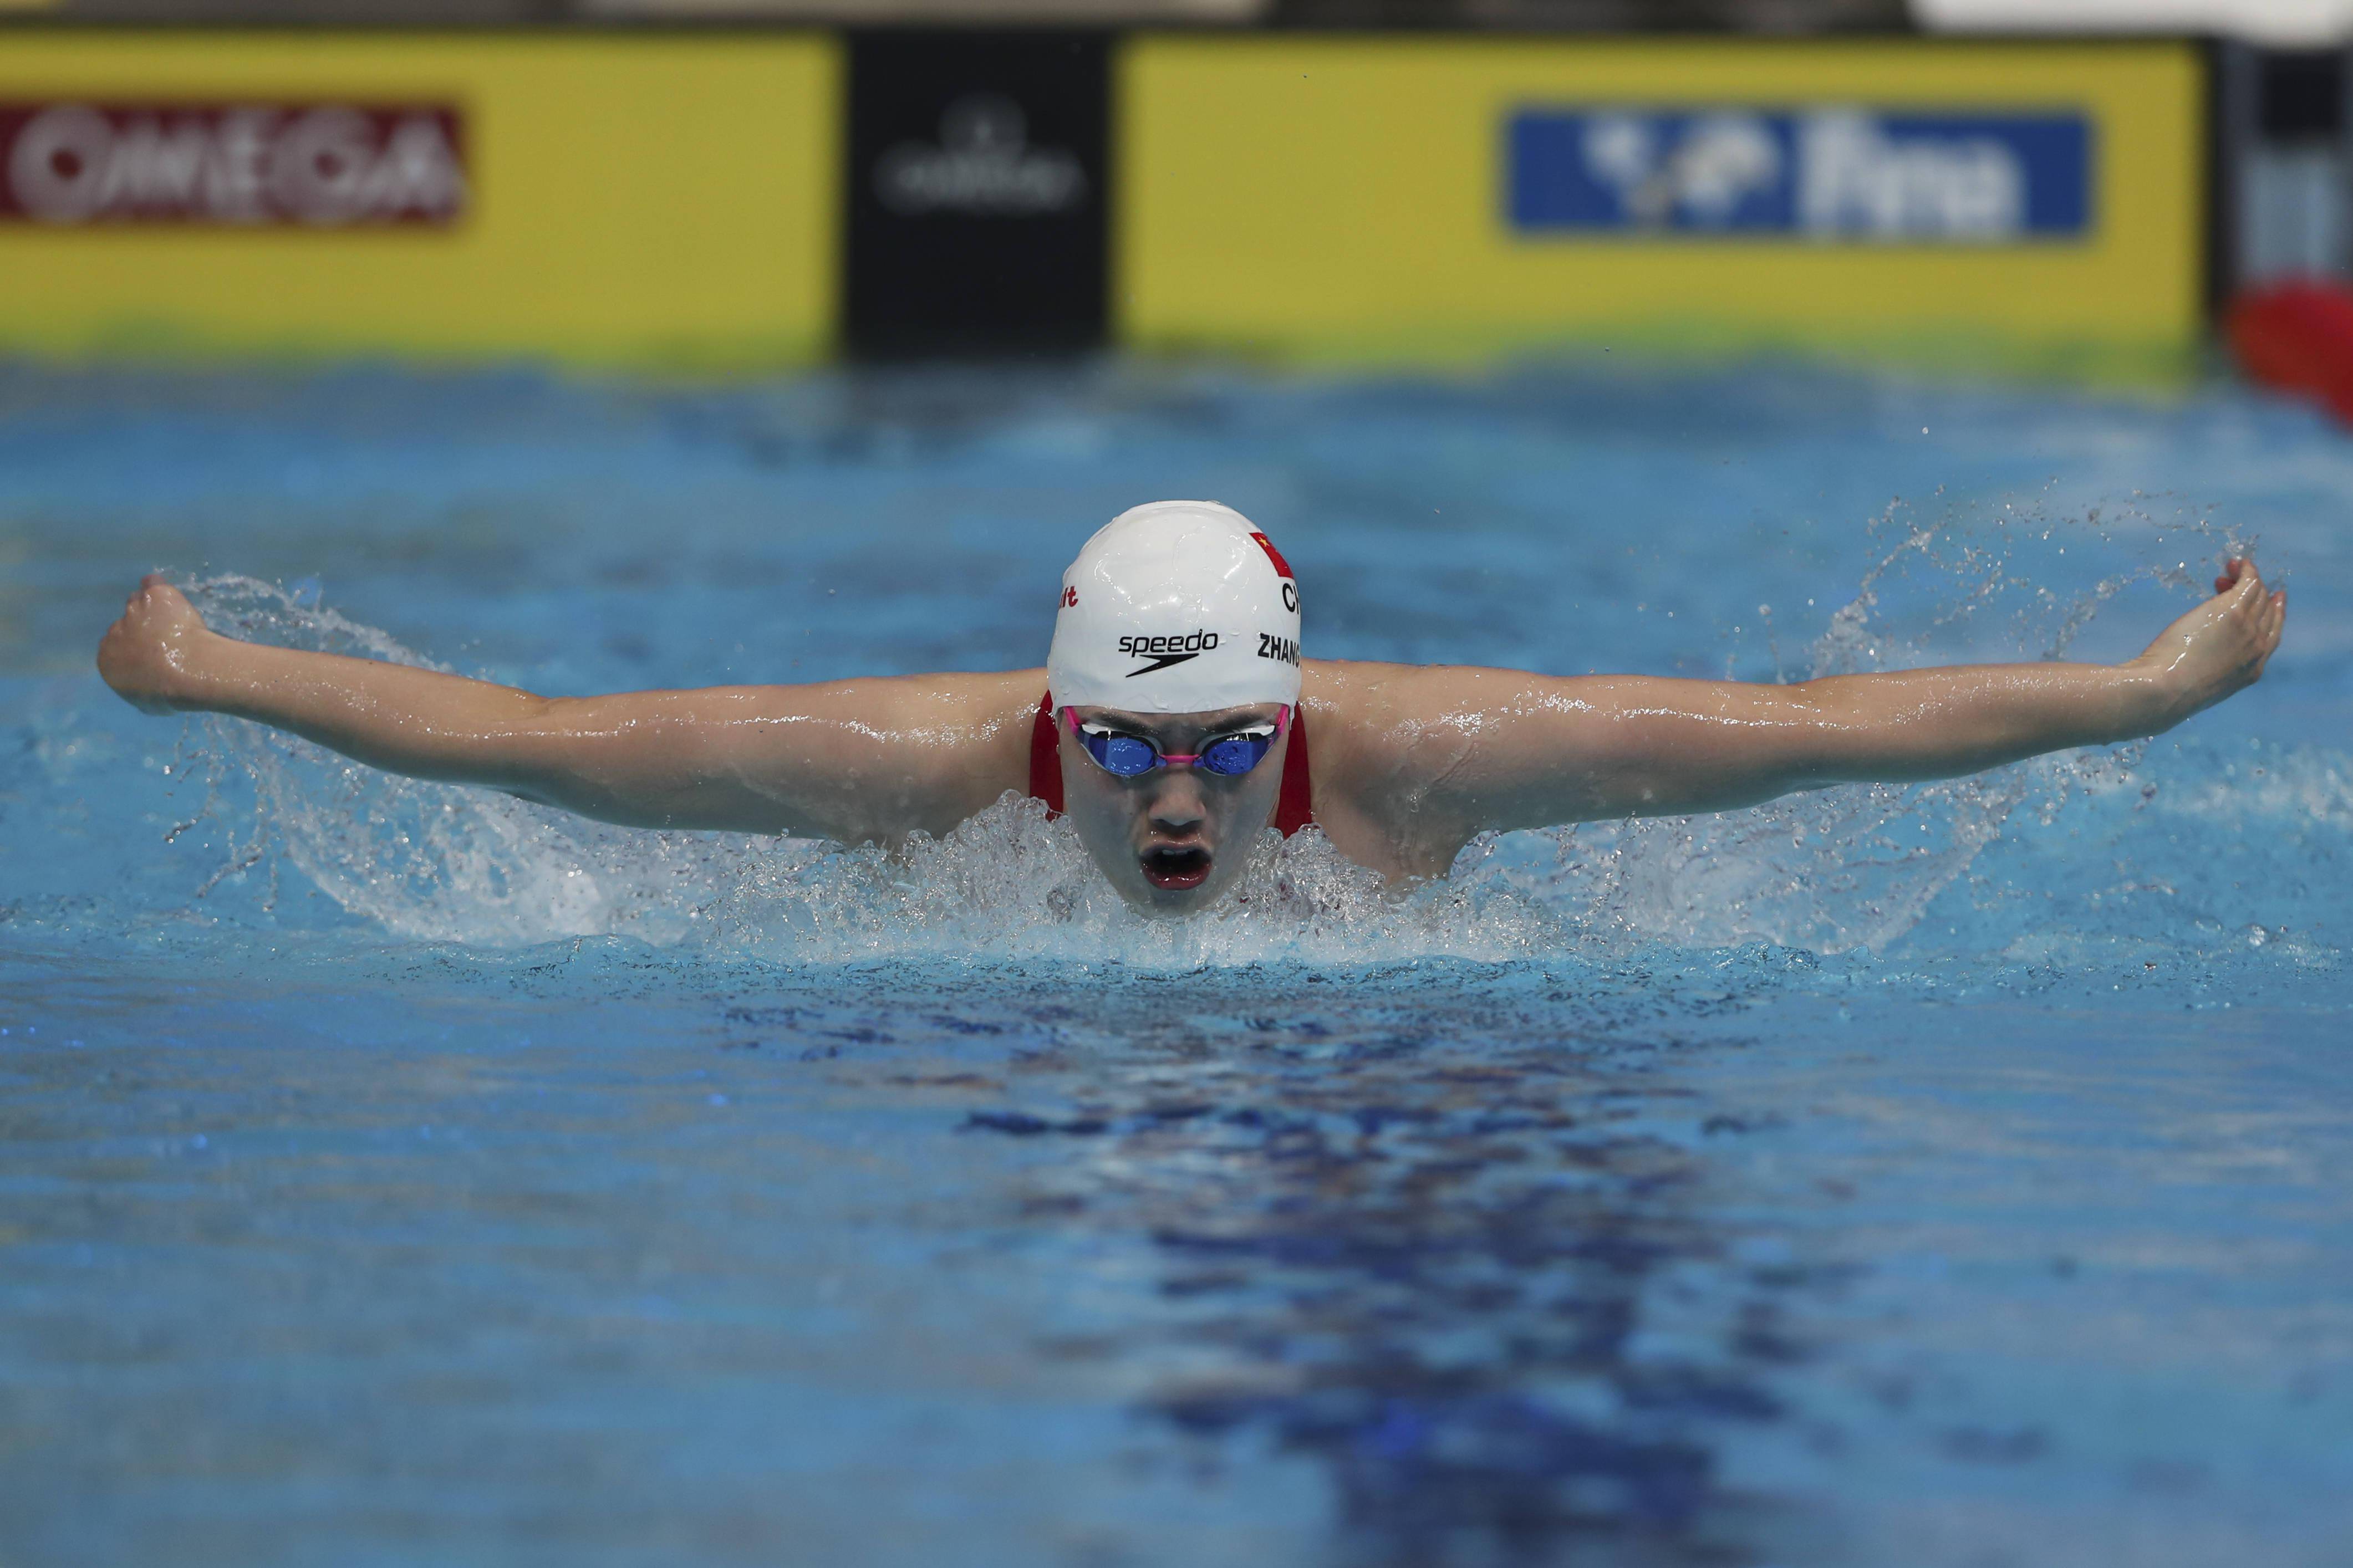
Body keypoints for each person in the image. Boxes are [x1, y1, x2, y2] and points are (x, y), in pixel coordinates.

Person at [96, 500, 2285, 916]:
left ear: (1293, 719)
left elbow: (1809, 729)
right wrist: (206, 675)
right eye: (1126, 750)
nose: (1173, 797)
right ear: (1053, 730)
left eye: (1224, 746)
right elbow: (527, 741)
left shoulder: (1420, 762)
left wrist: (2130, 698)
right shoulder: (915, 776)